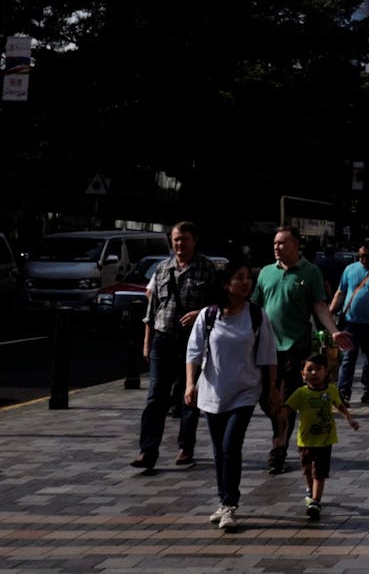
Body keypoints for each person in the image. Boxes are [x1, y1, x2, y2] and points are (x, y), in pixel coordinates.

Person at [251, 227, 352, 477]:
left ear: (296, 245)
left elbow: (319, 305)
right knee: (268, 399)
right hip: (267, 349)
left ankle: (278, 449)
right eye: (274, 243)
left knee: (286, 400)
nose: (276, 247)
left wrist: (333, 331)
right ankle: (281, 434)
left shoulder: (310, 272)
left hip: (296, 347)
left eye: (282, 243)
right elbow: (253, 308)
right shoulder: (265, 273)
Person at [184, 263, 277, 533]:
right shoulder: (208, 315)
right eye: (240, 277)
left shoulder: (257, 315)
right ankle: (223, 500)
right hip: (213, 391)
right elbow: (193, 352)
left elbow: (269, 356)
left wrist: (271, 389)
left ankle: (229, 504)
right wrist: (190, 385)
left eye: (249, 278)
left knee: (230, 447)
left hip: (245, 392)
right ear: (226, 284)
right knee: (218, 451)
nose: (246, 283)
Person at [131, 220, 219, 471]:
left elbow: (218, 305)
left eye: (185, 239)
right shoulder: (162, 268)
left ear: (195, 241)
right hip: (162, 338)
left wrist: (199, 312)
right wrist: (147, 343)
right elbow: (152, 309)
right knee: (155, 396)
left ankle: (186, 447)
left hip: (193, 342)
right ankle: (147, 451)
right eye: (176, 239)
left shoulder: (206, 268)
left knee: (188, 394)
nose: (179, 244)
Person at [283, 352, 360, 521]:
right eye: (309, 369)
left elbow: (339, 405)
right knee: (308, 470)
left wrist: (350, 419)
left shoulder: (331, 390)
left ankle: (316, 502)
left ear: (326, 372)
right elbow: (287, 410)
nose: (314, 373)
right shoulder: (301, 393)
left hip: (325, 440)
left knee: (319, 471)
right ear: (302, 374)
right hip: (305, 440)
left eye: (318, 369)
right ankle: (311, 492)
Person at [328, 241, 369, 404]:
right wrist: (329, 312)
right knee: (348, 357)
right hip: (350, 322)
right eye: (361, 255)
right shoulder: (350, 269)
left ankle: (368, 389)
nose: (364, 259)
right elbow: (340, 292)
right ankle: (343, 393)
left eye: (368, 256)